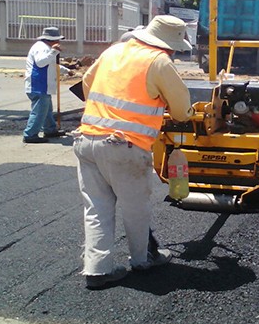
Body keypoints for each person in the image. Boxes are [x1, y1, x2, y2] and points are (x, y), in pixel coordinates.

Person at [74, 15, 193, 290]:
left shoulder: (113, 50)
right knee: (135, 208)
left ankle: (97, 269)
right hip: (125, 147)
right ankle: (143, 259)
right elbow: (181, 108)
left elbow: (87, 85)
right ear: (168, 44)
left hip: (87, 140)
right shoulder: (159, 61)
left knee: (96, 207)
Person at [22, 27, 72, 143]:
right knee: (39, 111)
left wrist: (66, 70)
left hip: (42, 85)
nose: (59, 43)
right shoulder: (42, 48)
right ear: (51, 40)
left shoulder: (46, 48)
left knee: (47, 109)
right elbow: (41, 63)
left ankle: (50, 130)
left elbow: (51, 65)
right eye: (57, 40)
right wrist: (54, 52)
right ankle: (30, 134)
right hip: (38, 85)